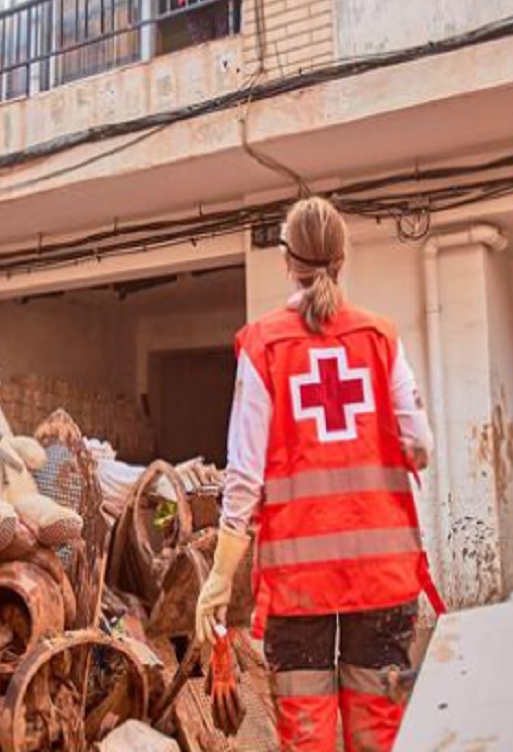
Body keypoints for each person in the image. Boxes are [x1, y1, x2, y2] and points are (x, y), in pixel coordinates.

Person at [194, 197, 441, 752]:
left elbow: (244, 475)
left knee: (308, 737)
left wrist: (221, 575)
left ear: (288, 260)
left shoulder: (263, 345)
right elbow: (421, 444)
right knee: (377, 734)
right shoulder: (380, 337)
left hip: (298, 583)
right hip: (381, 573)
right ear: (342, 259)